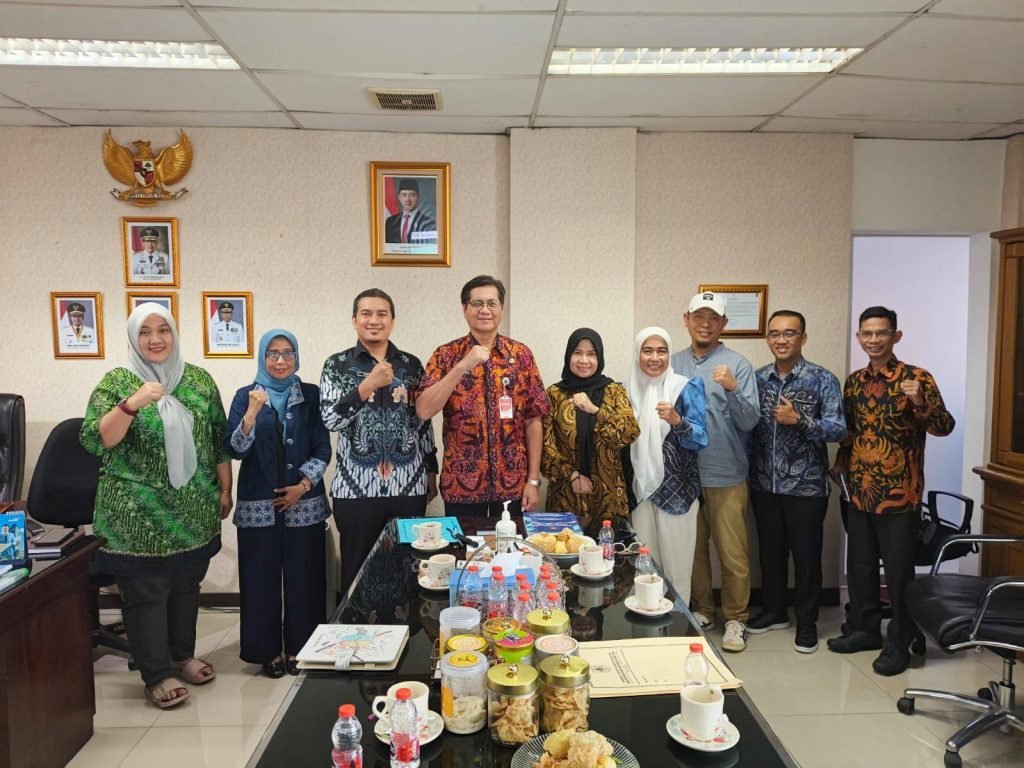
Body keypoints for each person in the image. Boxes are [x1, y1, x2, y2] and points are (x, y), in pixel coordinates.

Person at [80, 302, 232, 709]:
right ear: (134, 338)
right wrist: (131, 404)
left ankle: (181, 656)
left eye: (162, 330)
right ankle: (156, 674)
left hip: (194, 510)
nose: (155, 339)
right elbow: (96, 439)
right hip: (136, 517)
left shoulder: (198, 380)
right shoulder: (118, 382)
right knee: (146, 594)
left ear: (174, 334)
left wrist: (225, 486)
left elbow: (217, 439)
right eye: (145, 332)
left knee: (186, 587)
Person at [827, 306, 954, 676]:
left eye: (881, 333)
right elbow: (850, 431)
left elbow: (944, 426)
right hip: (860, 489)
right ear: (859, 338)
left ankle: (901, 640)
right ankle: (865, 629)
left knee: (898, 571)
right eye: (867, 334)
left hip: (900, 493)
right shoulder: (854, 382)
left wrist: (920, 402)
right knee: (860, 565)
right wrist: (841, 463)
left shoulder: (917, 378)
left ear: (895, 336)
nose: (874, 340)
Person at [225, 329, 331, 678]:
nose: (281, 360)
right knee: (259, 581)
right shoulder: (245, 396)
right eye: (273, 353)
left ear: (296, 357)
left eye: (288, 353)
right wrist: (251, 414)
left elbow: (323, 448)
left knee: (306, 581)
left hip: (304, 505)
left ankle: (302, 648)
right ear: (262, 357)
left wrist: (303, 485)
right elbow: (235, 449)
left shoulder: (311, 395)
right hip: (259, 508)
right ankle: (267, 651)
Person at [320, 289, 438, 596]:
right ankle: (354, 628)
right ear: (354, 320)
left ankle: (407, 628)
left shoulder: (411, 365)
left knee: (408, 570)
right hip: (355, 490)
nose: (374, 320)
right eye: (366, 314)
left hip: (408, 488)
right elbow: (330, 420)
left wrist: (431, 470)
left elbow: (423, 422)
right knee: (357, 573)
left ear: (393, 321)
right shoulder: (337, 365)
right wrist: (367, 385)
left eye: (382, 314)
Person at [747, 310, 847, 654]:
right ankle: (774, 610)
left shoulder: (822, 379)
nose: (781, 340)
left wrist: (800, 420)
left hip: (806, 487)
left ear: (803, 338)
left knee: (806, 558)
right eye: (775, 333)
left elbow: (839, 429)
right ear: (767, 339)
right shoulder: (758, 379)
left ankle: (806, 622)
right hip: (764, 484)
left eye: (789, 333)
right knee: (770, 553)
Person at [670, 291, 759, 652]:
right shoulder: (672, 362)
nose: (705, 324)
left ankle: (737, 619)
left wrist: (733, 389)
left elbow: (750, 421)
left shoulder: (737, 365)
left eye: (713, 318)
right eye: (698, 316)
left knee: (732, 553)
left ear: (724, 324)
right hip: (684, 475)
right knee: (691, 551)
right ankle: (703, 609)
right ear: (686, 319)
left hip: (726, 474)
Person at [416, 275, 548, 516]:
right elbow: (424, 410)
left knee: (511, 541)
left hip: (513, 485)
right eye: (477, 303)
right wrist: (461, 366)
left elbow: (534, 419)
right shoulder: (445, 355)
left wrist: (533, 480)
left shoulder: (521, 355)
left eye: (491, 303)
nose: (485, 310)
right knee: (462, 542)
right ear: (464, 308)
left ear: (501, 308)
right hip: (461, 485)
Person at [626, 327, 708, 603]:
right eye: (647, 351)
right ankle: (648, 624)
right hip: (640, 492)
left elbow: (701, 438)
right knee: (645, 568)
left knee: (677, 570)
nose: (654, 358)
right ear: (637, 354)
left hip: (678, 494)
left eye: (661, 351)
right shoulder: (626, 391)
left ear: (669, 354)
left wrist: (677, 420)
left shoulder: (685, 387)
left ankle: (678, 625)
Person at [542, 328, 639, 535]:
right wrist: (572, 475)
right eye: (577, 353)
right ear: (568, 355)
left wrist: (595, 410)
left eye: (591, 354)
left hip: (608, 498)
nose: (584, 360)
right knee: (563, 553)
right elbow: (545, 448)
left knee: (609, 554)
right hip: (565, 495)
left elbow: (629, 433)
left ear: (600, 358)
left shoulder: (614, 391)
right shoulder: (554, 394)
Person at [384, 179, 437, 247]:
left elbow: (430, 248)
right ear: (399, 197)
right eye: (404, 195)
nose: (408, 199)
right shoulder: (390, 222)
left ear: (418, 198)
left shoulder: (428, 223)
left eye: (412, 195)